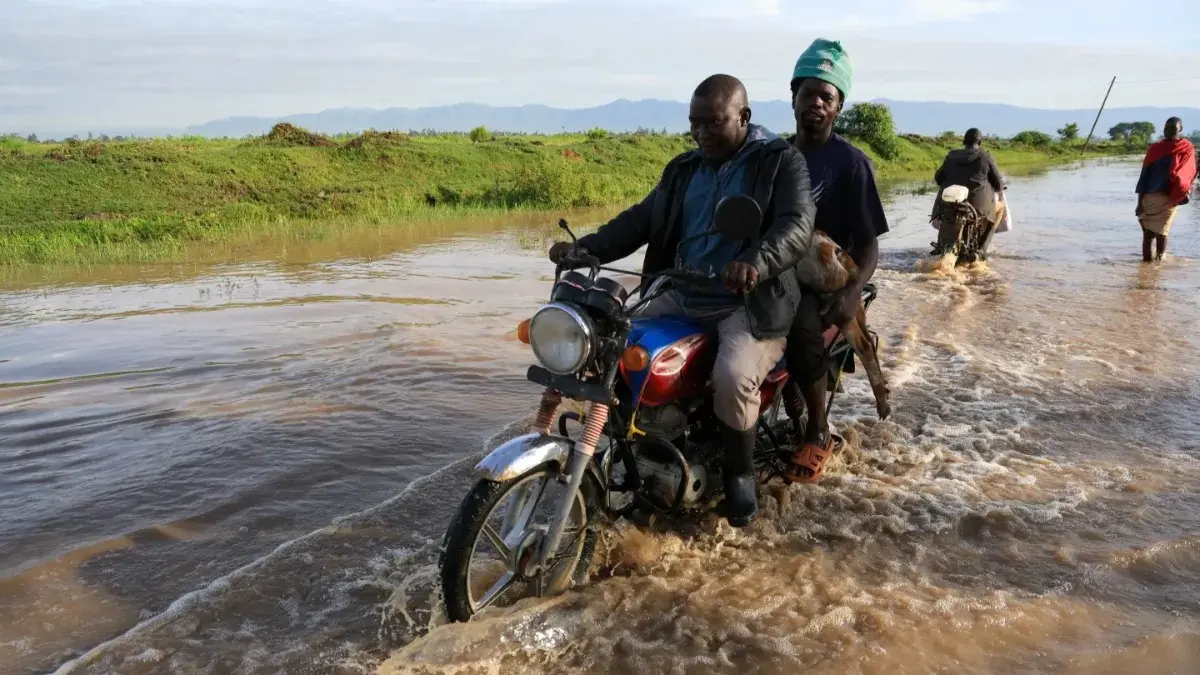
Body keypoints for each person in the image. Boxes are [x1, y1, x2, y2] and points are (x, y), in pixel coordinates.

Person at [548, 74, 816, 527]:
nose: (702, 133)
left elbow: (796, 224)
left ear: (743, 117)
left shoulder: (779, 162)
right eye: (695, 124)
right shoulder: (683, 169)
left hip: (747, 302)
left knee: (732, 378)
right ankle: (631, 446)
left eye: (714, 123)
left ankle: (739, 474)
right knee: (609, 347)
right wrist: (586, 249)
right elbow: (640, 221)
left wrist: (755, 260)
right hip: (681, 291)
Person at [782, 38, 889, 483]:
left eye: (827, 97)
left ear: (838, 107)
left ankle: (818, 430)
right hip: (777, 269)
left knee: (804, 327)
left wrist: (851, 292)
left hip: (823, 280)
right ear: (793, 98)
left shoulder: (851, 164)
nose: (816, 103)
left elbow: (868, 244)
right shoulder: (776, 156)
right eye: (809, 93)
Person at [932, 128, 1007, 258]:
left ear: (963, 141)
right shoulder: (986, 157)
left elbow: (938, 178)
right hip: (977, 206)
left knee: (947, 213)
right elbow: (999, 185)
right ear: (980, 142)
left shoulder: (951, 156)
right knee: (1000, 207)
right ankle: (982, 249)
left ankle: (941, 245)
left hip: (949, 204)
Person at [1136, 117, 1196, 262]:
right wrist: (1140, 203)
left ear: (1180, 129)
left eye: (1172, 128)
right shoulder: (1155, 150)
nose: (1168, 131)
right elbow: (1145, 176)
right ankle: (1146, 269)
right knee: (1148, 234)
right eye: (1166, 128)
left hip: (1170, 198)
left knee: (1162, 233)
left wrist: (1182, 189)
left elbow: (1190, 172)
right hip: (1150, 197)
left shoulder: (1186, 149)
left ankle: (1157, 268)